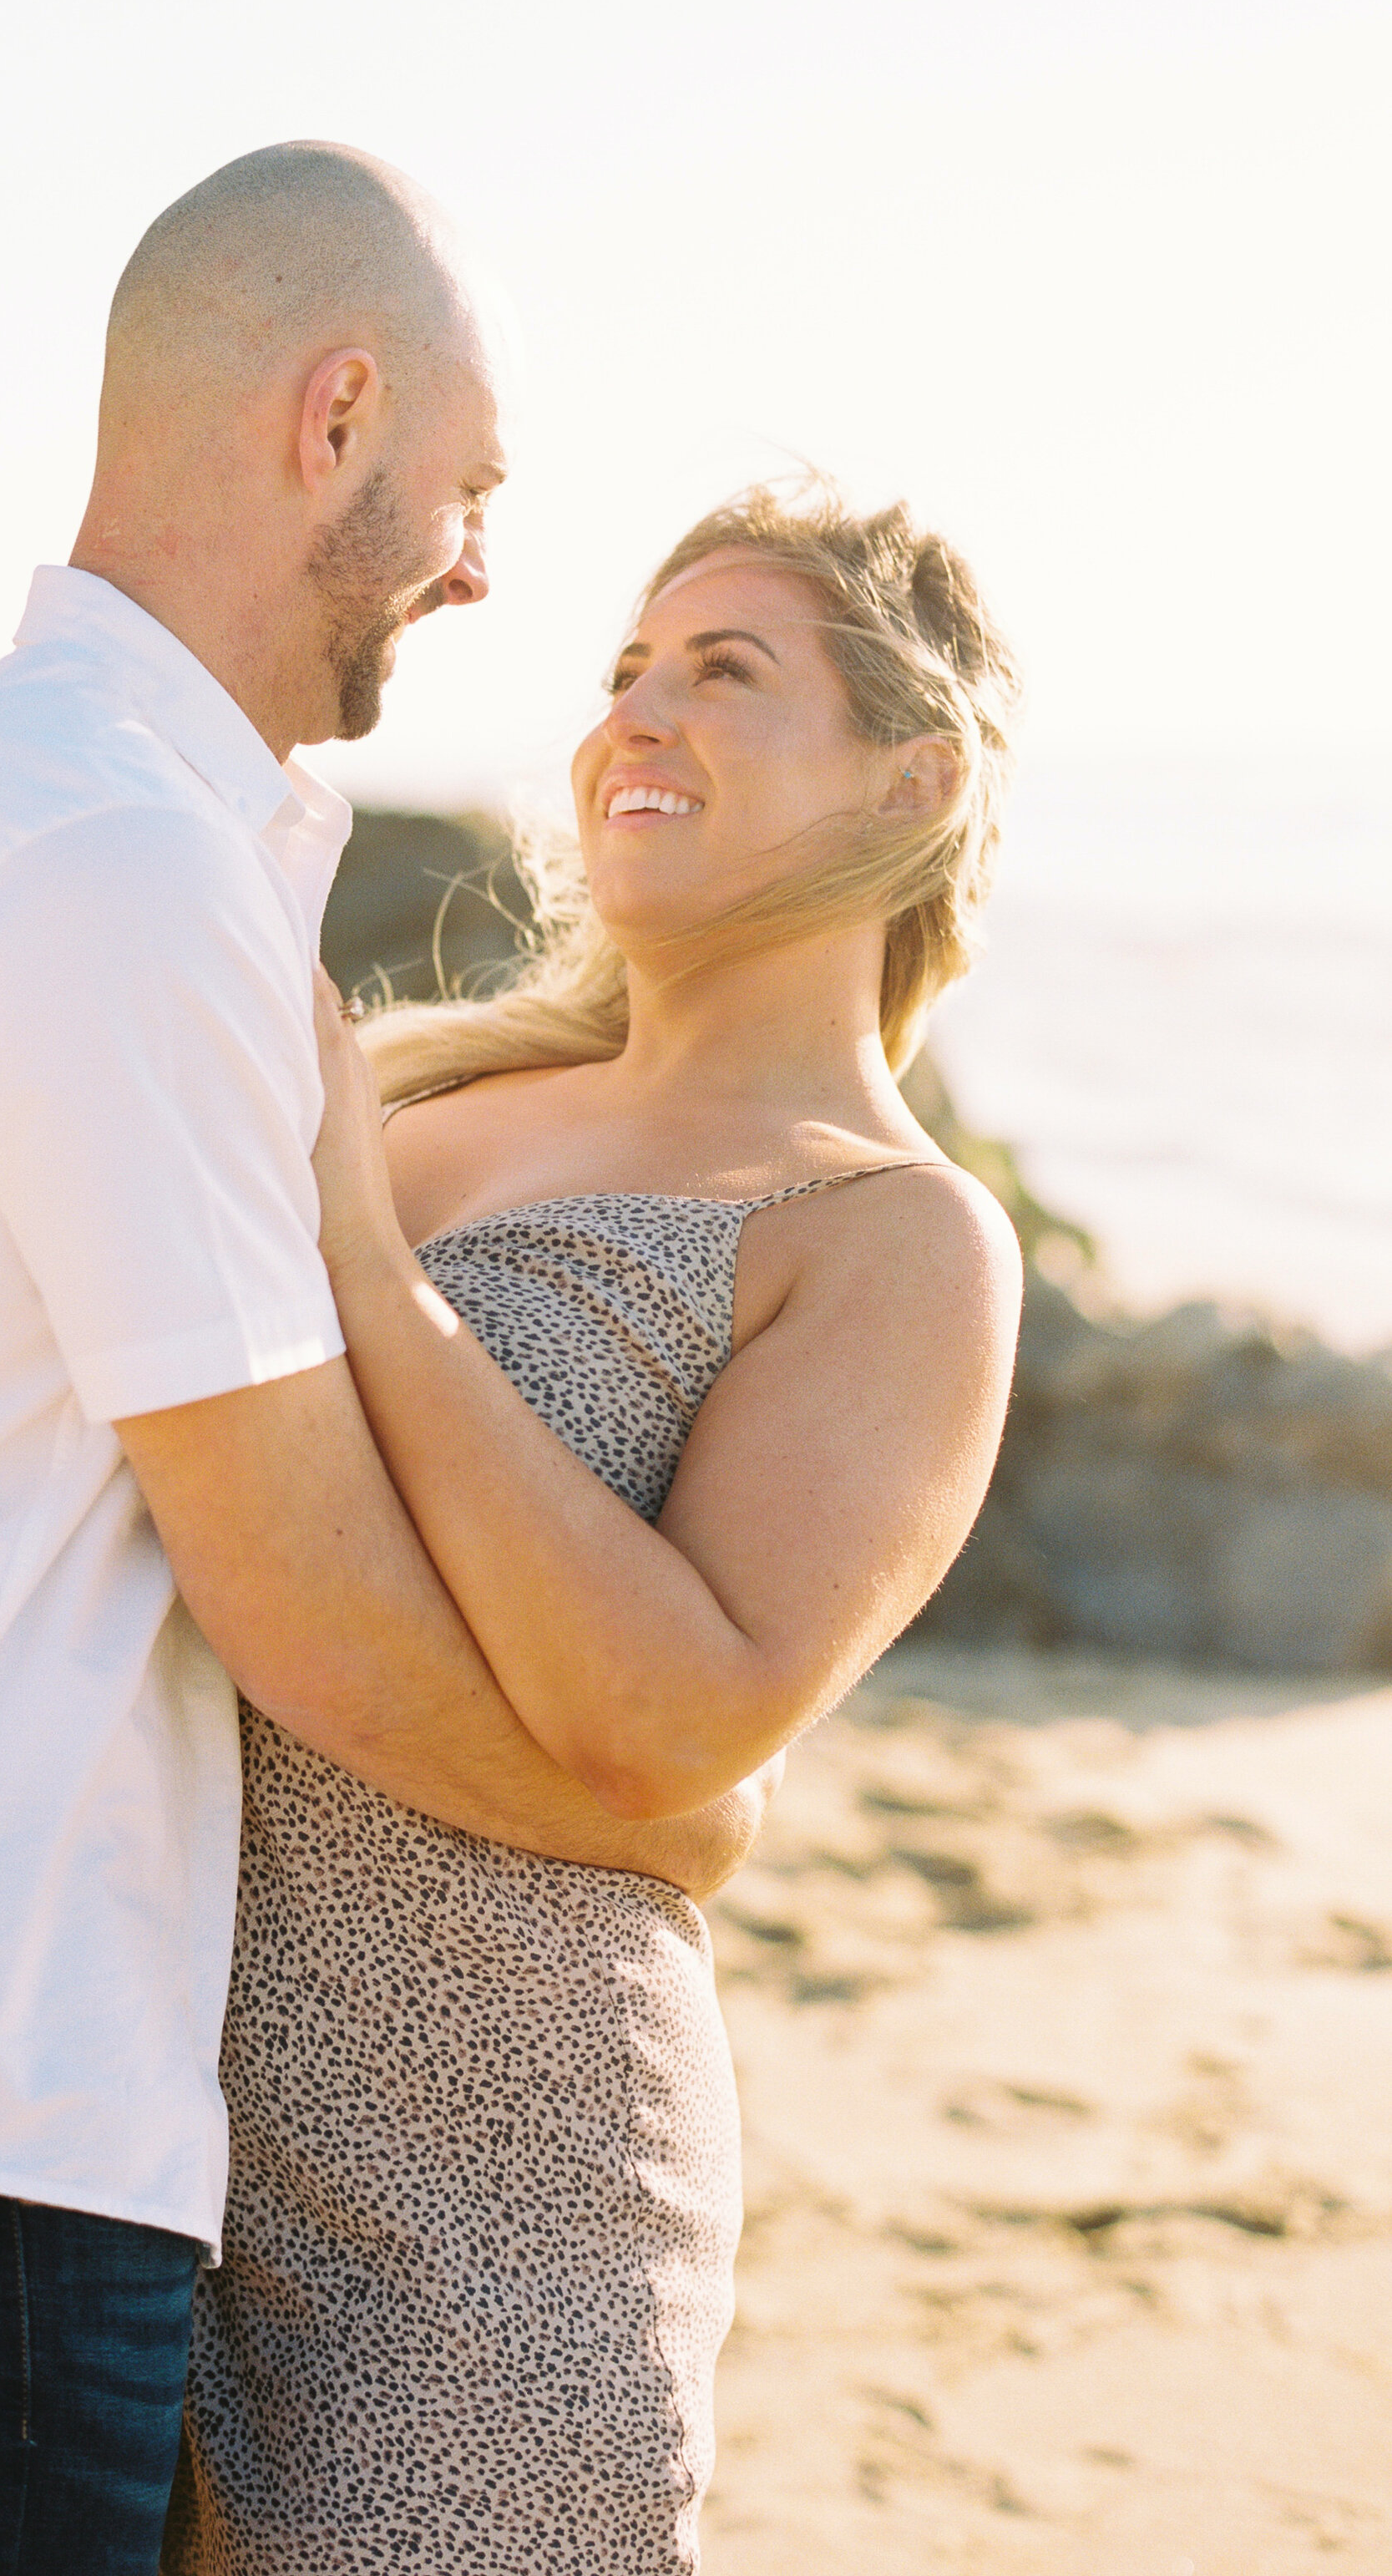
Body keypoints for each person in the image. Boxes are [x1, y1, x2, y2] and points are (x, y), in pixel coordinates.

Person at [0, 143, 775, 2576]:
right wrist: (638, 1822)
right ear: (331, 414)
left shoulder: (85, 827)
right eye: (464, 490)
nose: (478, 565)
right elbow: (302, 1601)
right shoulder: (102, 863)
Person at [163, 484, 1026, 2573]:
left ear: (910, 781)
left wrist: (371, 1271)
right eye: (623, 671)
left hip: (488, 2217)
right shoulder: (426, 1090)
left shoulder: (888, 1230)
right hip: (126, 2136)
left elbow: (676, 1720)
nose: (633, 715)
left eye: (721, 673)